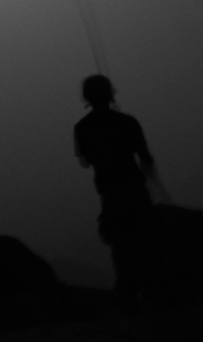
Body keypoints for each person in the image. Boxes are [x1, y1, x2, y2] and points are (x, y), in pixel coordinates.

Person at [73, 74, 170, 308]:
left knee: (120, 246)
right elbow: (145, 157)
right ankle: (155, 296)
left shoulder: (82, 127)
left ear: (87, 97)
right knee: (146, 242)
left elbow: (85, 161)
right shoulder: (128, 122)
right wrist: (156, 185)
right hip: (135, 190)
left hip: (110, 194)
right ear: (110, 94)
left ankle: (129, 299)